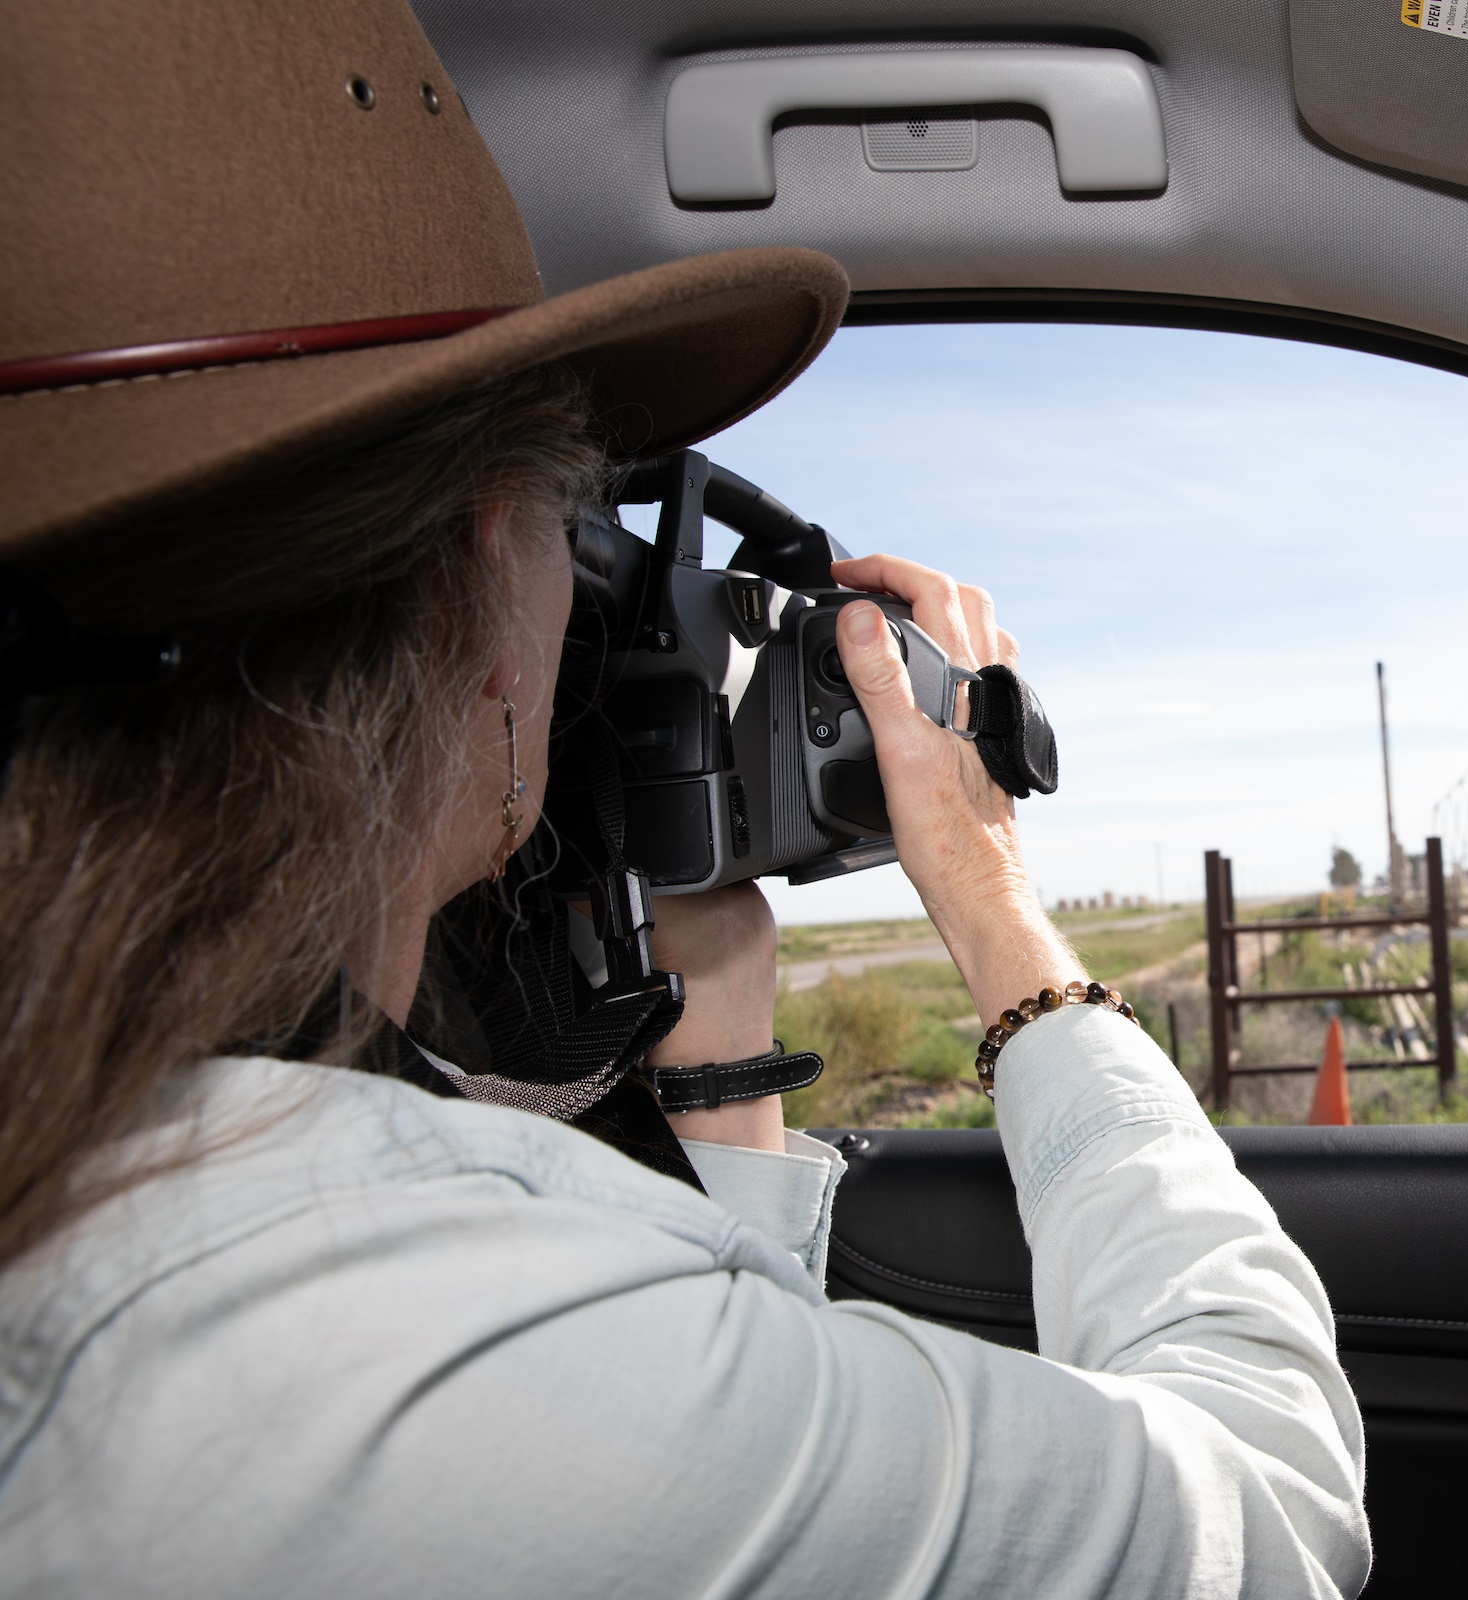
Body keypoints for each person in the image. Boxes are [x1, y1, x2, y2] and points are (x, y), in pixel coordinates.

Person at [0, 2, 1370, 1596]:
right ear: (463, 598)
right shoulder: (404, 1329)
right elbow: (1266, 1509)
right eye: (572, 528)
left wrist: (716, 1066)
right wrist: (993, 904)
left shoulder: (186, 1206)